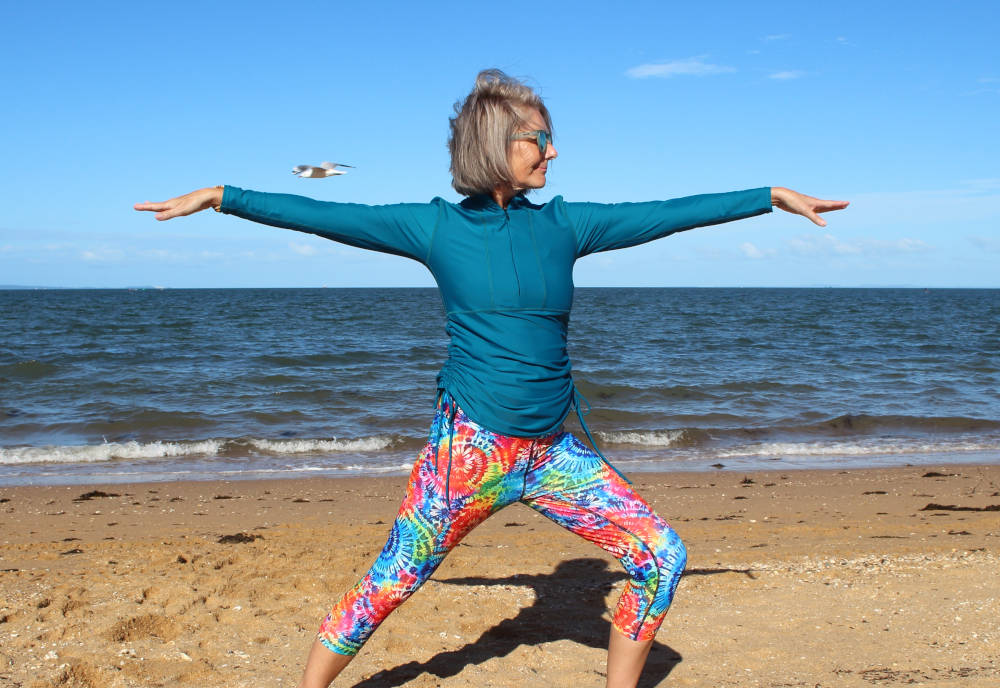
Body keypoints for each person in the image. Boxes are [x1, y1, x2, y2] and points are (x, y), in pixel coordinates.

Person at [135, 69, 848, 688]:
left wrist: (771, 195)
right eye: (537, 137)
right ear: (495, 145)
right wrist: (222, 196)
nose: (551, 149)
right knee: (389, 585)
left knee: (663, 556)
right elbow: (324, 215)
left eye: (547, 136)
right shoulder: (435, 228)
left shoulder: (567, 225)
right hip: (469, 454)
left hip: (553, 454)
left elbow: (665, 215)